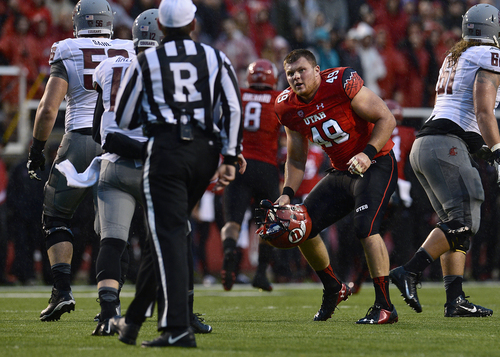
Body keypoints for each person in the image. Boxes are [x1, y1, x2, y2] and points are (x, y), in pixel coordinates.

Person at [109, 0, 244, 348]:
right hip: (206, 152)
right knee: (171, 231)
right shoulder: (215, 57)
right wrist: (230, 155)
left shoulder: (147, 60)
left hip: (167, 150)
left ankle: (177, 326)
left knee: (167, 234)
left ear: (163, 28)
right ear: (193, 24)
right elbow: (231, 106)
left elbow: (123, 117)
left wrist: (157, 113)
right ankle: (136, 318)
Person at [26, 0, 135, 322]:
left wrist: (36, 151)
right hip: (121, 142)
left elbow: (48, 109)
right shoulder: (130, 49)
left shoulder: (68, 48)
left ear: (78, 23)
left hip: (81, 138)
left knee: (56, 215)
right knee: (115, 226)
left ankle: (61, 290)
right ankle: (111, 301)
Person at [273, 48, 399, 324]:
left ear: (317, 70)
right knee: (301, 225)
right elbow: (295, 158)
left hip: (376, 162)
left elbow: (386, 118)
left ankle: (385, 306)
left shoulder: (341, 82)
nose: (296, 77)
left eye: (301, 70)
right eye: (290, 73)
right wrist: (286, 195)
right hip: (342, 171)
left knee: (365, 227)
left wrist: (367, 153)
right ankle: (333, 287)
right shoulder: (287, 106)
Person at [389, 3, 497, 318]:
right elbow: (482, 111)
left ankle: (455, 299)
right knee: (465, 219)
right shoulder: (487, 56)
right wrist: (499, 151)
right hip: (444, 144)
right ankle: (409, 271)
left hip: (429, 144)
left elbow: (462, 116)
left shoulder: (457, 54)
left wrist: (484, 151)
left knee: (455, 224)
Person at [220, 58, 282, 292]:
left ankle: (229, 254)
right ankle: (261, 273)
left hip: (239, 163)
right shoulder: (278, 99)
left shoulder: (239, 94)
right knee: (269, 222)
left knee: (232, 222)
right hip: (266, 167)